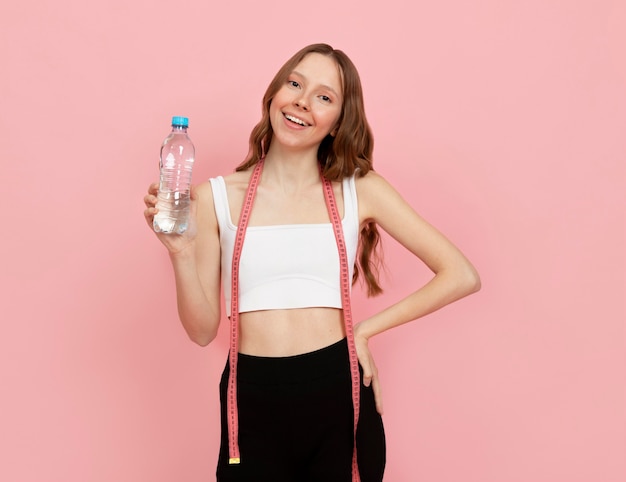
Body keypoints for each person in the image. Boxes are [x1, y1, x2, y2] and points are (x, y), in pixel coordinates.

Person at [143, 43, 480, 482]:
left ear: (339, 122)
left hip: (336, 390)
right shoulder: (214, 198)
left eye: (324, 96)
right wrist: (181, 254)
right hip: (250, 396)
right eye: (295, 83)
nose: (302, 100)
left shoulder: (361, 190)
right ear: (274, 95)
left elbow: (461, 274)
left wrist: (365, 330)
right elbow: (203, 330)